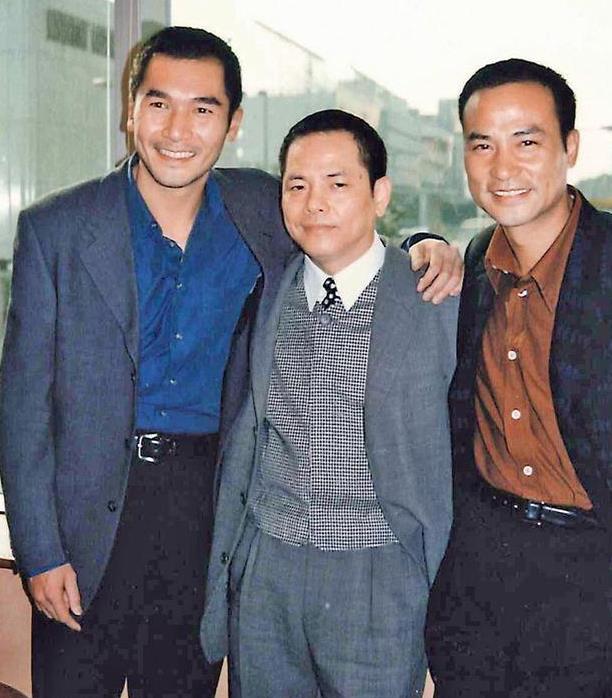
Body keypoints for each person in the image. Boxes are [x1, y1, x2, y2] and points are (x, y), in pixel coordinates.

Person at [0, 26, 461, 698]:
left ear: (233, 123)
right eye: (159, 104)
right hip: (87, 517)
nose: (177, 130)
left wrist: (428, 243)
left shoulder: (262, 209)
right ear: (130, 110)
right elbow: (22, 407)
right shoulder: (57, 228)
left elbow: (345, 225)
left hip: (207, 508)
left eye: (203, 109)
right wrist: (39, 549)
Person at [201, 109, 458, 697]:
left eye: (338, 183)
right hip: (267, 569)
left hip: (380, 574)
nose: (315, 203)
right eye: (298, 185)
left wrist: (431, 242)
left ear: (380, 195)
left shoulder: (435, 299)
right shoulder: (270, 285)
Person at [425, 58, 612, 698]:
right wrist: (424, 241)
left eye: (526, 142)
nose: (502, 168)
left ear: (570, 148)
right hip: (484, 562)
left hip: (591, 568)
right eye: (483, 145)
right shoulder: (474, 262)